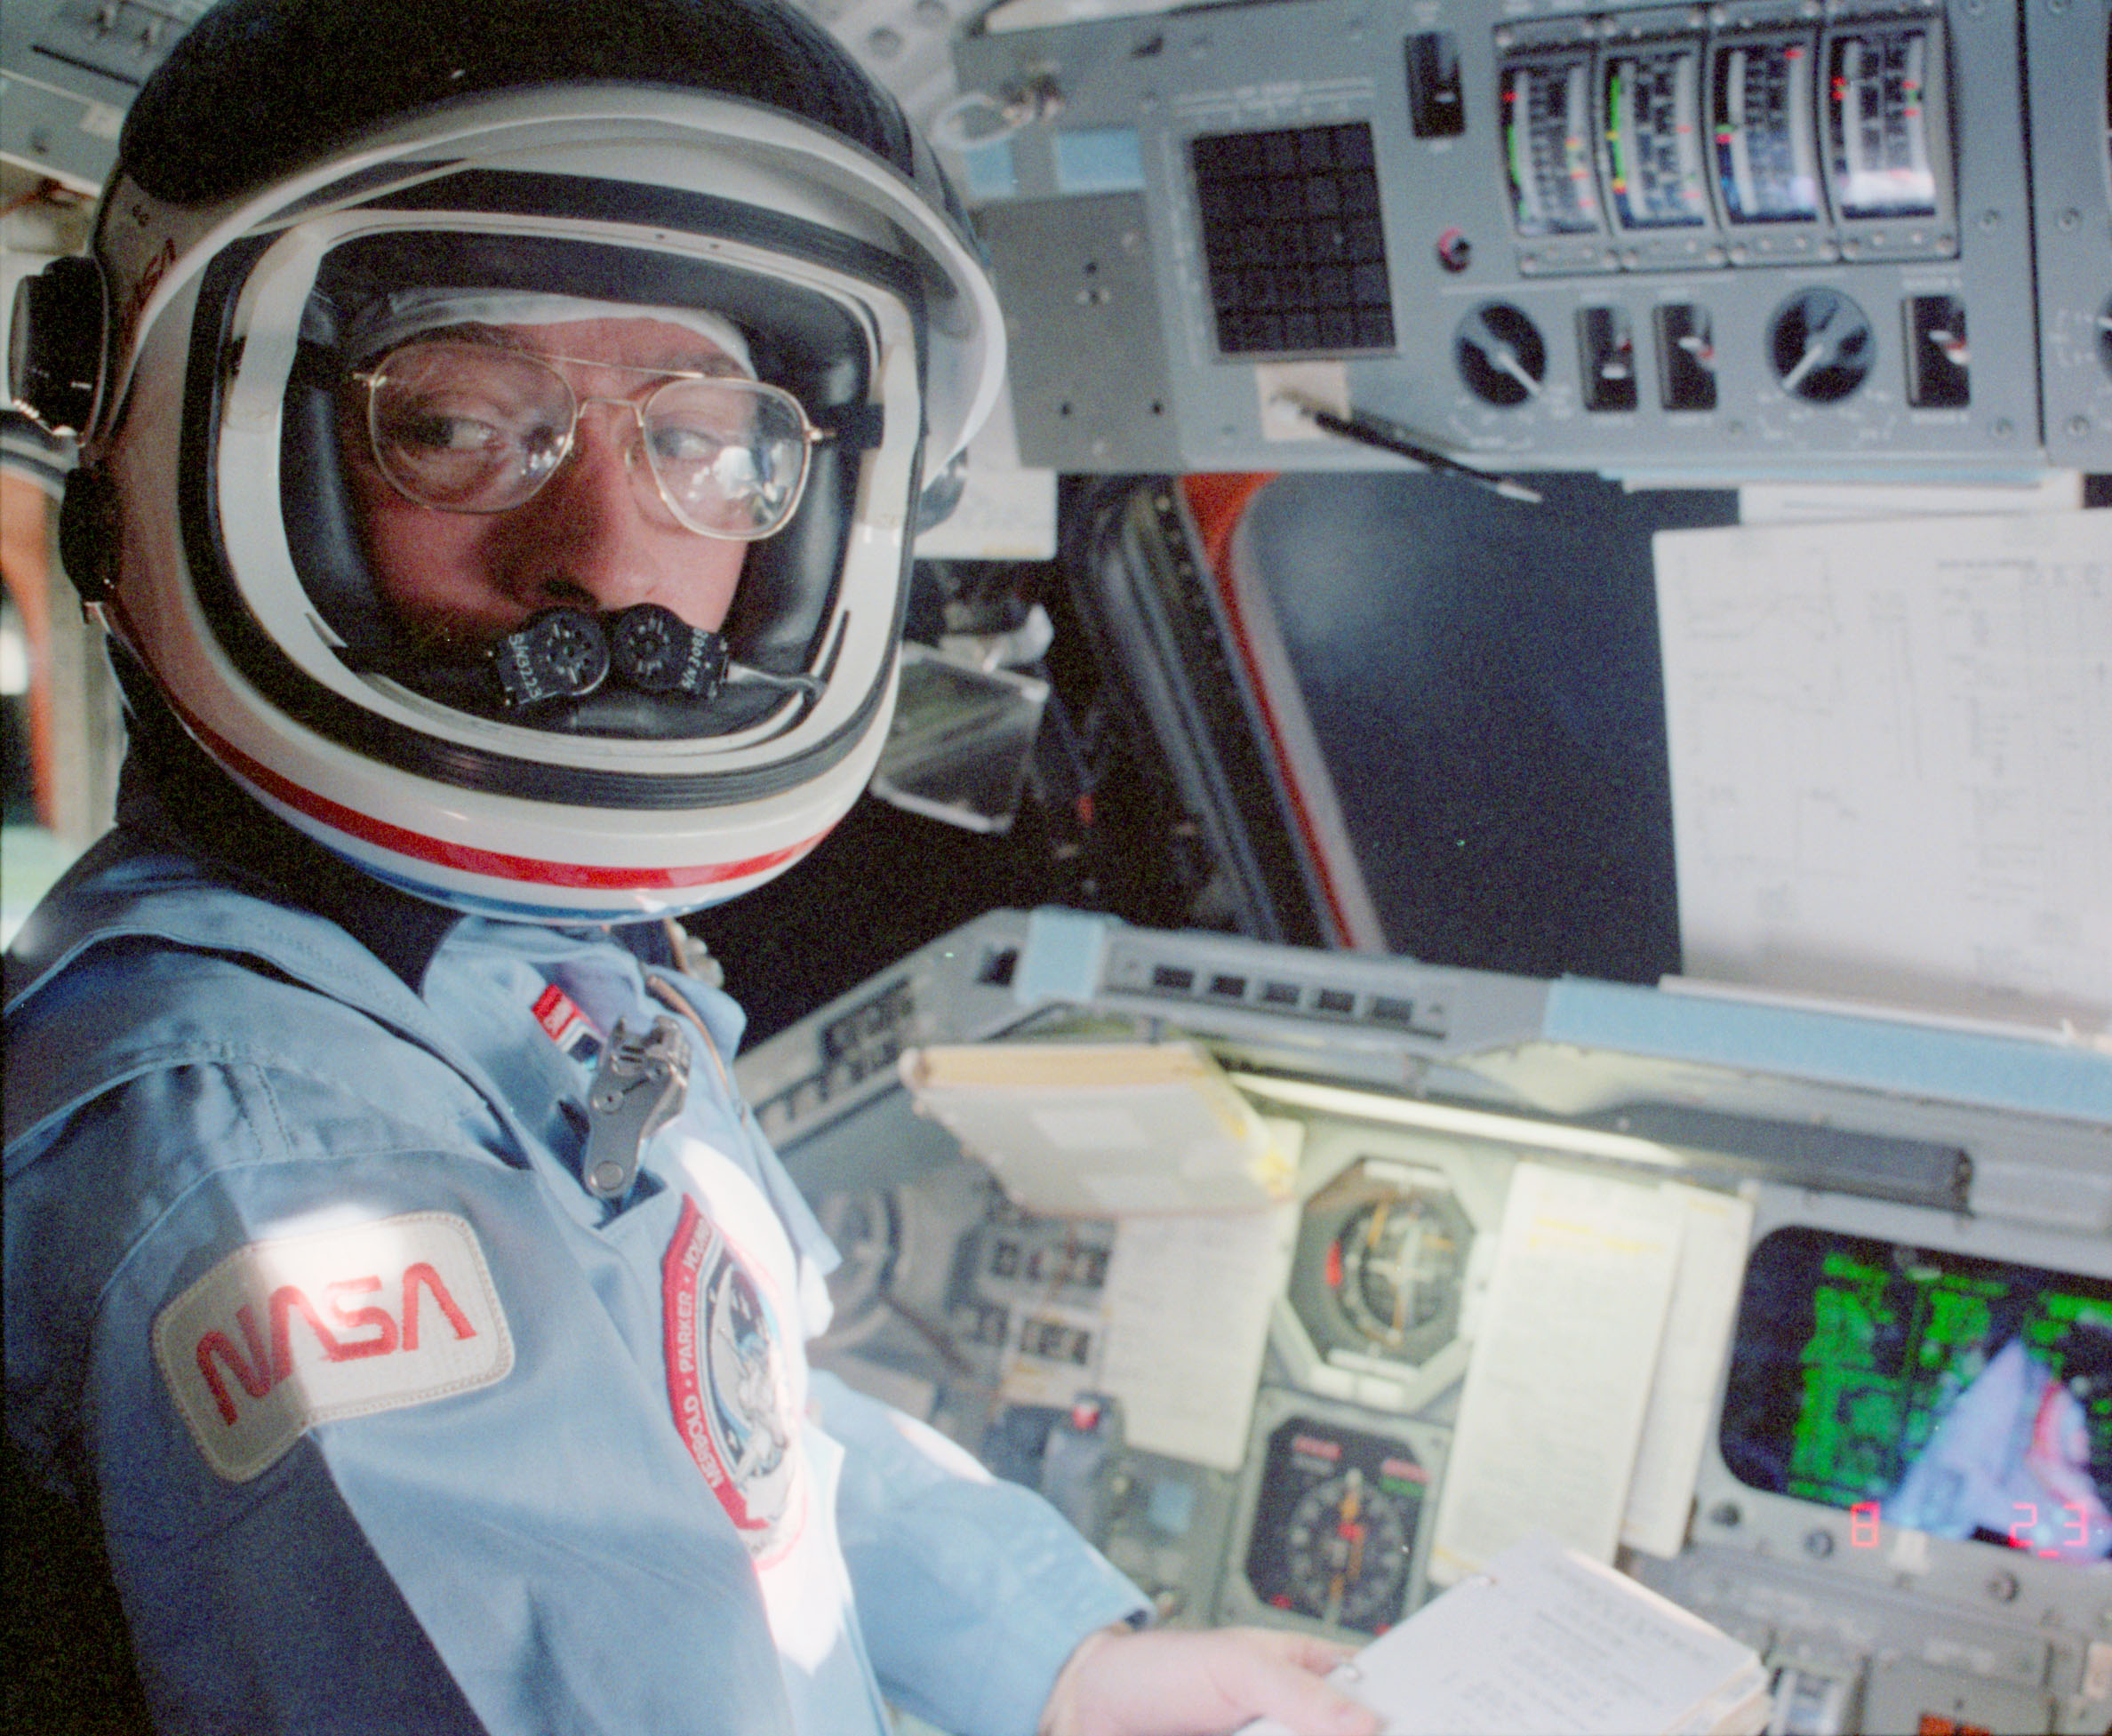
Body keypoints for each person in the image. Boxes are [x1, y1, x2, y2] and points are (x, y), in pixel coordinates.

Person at [0, 4, 1380, 1732]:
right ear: (204, 455)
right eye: (454, 421)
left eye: (705, 440)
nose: (608, 561)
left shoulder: (511, 977)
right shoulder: (285, 1151)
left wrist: (1063, 1656)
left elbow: (720, 1417)